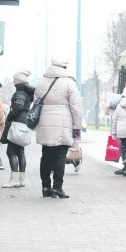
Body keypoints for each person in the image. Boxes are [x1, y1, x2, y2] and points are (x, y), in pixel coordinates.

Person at [36, 57, 82, 199]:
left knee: (46, 156)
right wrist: (77, 126)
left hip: (45, 123)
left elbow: (36, 101)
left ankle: (45, 187)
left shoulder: (42, 81)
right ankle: (57, 188)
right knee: (60, 157)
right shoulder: (69, 82)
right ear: (65, 67)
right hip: (62, 124)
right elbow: (76, 107)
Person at [0, 70, 35, 188]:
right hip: (24, 123)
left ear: (18, 81)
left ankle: (14, 180)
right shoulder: (27, 92)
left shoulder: (20, 92)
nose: (13, 81)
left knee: (10, 151)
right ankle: (21, 179)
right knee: (20, 151)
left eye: (14, 79)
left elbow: (18, 106)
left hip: (17, 123)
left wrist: (10, 116)